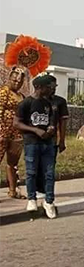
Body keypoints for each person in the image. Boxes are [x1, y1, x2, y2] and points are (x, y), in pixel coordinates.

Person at [13, 75, 58, 218]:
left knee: (49, 174)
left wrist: (51, 128)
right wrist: (35, 130)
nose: (51, 89)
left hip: (47, 143)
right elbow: (17, 123)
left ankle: (49, 201)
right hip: (32, 142)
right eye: (48, 87)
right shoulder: (26, 103)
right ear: (39, 87)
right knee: (31, 172)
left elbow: (51, 121)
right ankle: (32, 199)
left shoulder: (48, 104)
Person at [0, 67, 26, 199]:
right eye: (15, 79)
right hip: (2, 133)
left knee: (12, 163)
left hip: (17, 135)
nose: (17, 82)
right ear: (10, 78)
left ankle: (12, 191)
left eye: (20, 81)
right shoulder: (4, 92)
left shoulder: (21, 96)